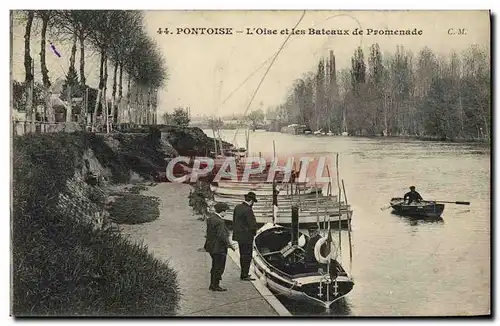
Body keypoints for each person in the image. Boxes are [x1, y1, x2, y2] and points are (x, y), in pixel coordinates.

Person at [204, 202, 235, 291]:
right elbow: (222, 236)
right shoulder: (220, 221)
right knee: (219, 267)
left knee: (214, 266)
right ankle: (215, 285)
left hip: (211, 246)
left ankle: (212, 284)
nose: (226, 213)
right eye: (225, 211)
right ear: (222, 211)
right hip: (219, 248)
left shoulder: (211, 218)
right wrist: (229, 245)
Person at [232, 191, 258, 281]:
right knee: (247, 256)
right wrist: (254, 233)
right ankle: (244, 274)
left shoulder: (237, 207)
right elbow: (252, 225)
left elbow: (234, 221)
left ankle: (243, 273)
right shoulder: (248, 210)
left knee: (242, 255)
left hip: (239, 236)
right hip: (247, 237)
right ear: (251, 201)